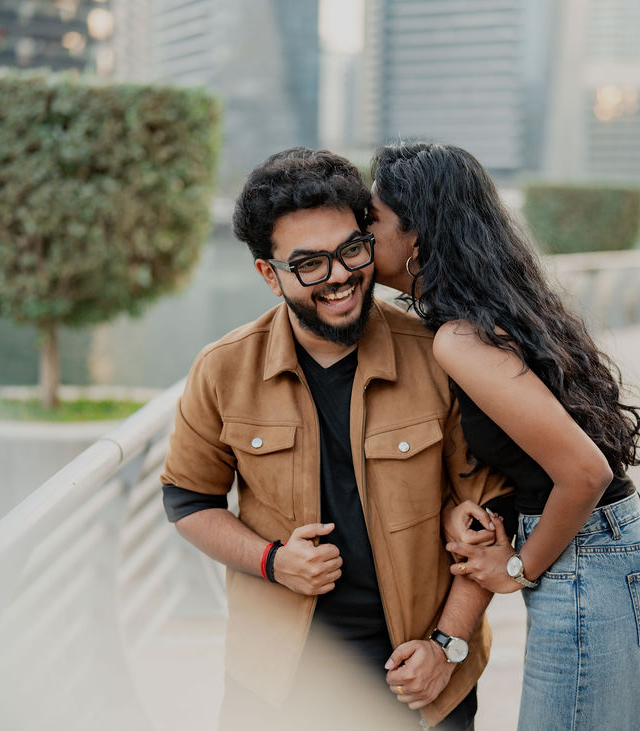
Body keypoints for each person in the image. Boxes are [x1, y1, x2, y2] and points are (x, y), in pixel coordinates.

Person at [159, 147, 510, 730]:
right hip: (274, 686)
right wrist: (274, 562)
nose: (340, 276)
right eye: (310, 264)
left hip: (421, 681)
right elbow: (188, 501)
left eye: (351, 250)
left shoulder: (440, 354)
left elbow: (491, 510)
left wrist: (446, 648)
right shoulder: (221, 369)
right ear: (269, 275)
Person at [368, 141, 640, 731]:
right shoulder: (490, 314)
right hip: (601, 561)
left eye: (371, 222)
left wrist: (517, 570)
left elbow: (585, 472)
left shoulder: (462, 338)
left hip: (589, 568)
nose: (360, 237)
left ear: (417, 238)